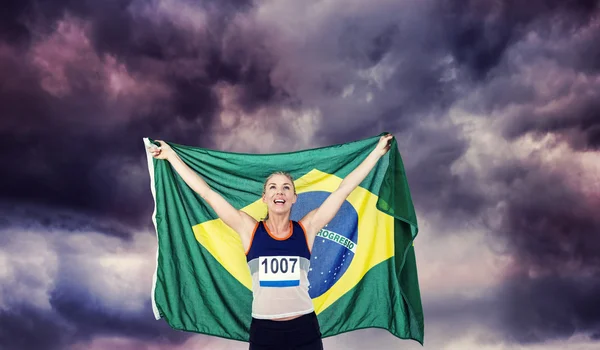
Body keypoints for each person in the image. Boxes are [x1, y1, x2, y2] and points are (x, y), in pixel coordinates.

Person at [148, 134, 394, 350]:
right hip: (264, 333)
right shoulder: (249, 229)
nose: (280, 192)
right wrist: (170, 157)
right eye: (273, 188)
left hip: (305, 330)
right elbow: (207, 193)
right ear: (264, 197)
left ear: (294, 198)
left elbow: (343, 190)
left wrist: (376, 153)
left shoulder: (307, 228)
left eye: (286, 188)